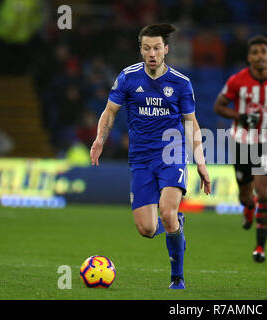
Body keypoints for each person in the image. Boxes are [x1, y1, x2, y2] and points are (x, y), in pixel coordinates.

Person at [90, 24, 211, 289]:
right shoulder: (128, 77)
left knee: (166, 212)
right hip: (141, 158)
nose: (152, 53)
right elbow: (110, 112)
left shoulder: (181, 83)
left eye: (157, 48)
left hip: (172, 153)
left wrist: (201, 163)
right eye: (147, 48)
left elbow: (191, 123)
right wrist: (100, 139)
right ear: (141, 50)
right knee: (146, 229)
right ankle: (176, 226)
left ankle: (177, 278)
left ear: (166, 49)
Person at [213, 35, 267, 262]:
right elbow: (218, 106)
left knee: (264, 192)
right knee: (245, 196)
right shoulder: (237, 81)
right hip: (241, 142)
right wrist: (239, 116)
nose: (260, 56)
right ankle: (248, 208)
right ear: (249, 57)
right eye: (255, 52)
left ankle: (260, 247)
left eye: (264, 52)